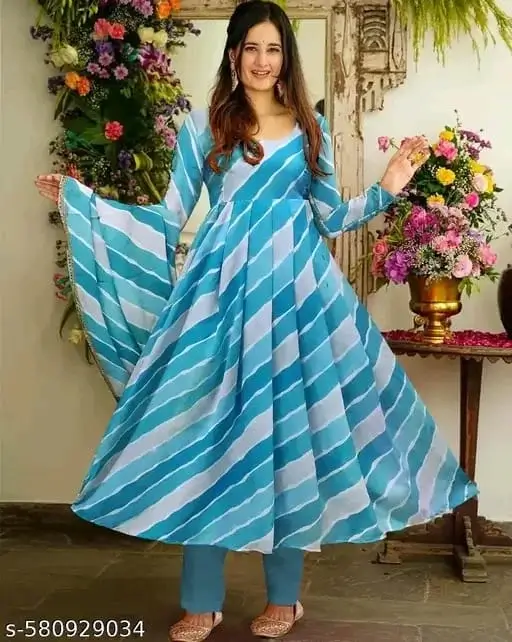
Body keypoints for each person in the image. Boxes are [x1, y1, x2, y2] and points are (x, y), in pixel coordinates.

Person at [35, 1, 478, 640]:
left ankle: (284, 600)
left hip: (299, 302)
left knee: (289, 439)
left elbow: (330, 217)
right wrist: (86, 204)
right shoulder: (205, 126)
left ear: (286, 57)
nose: (263, 61)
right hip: (219, 302)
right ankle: (201, 600)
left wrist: (388, 186)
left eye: (273, 49)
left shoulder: (309, 128)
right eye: (251, 48)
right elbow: (167, 218)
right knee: (203, 437)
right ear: (234, 54)